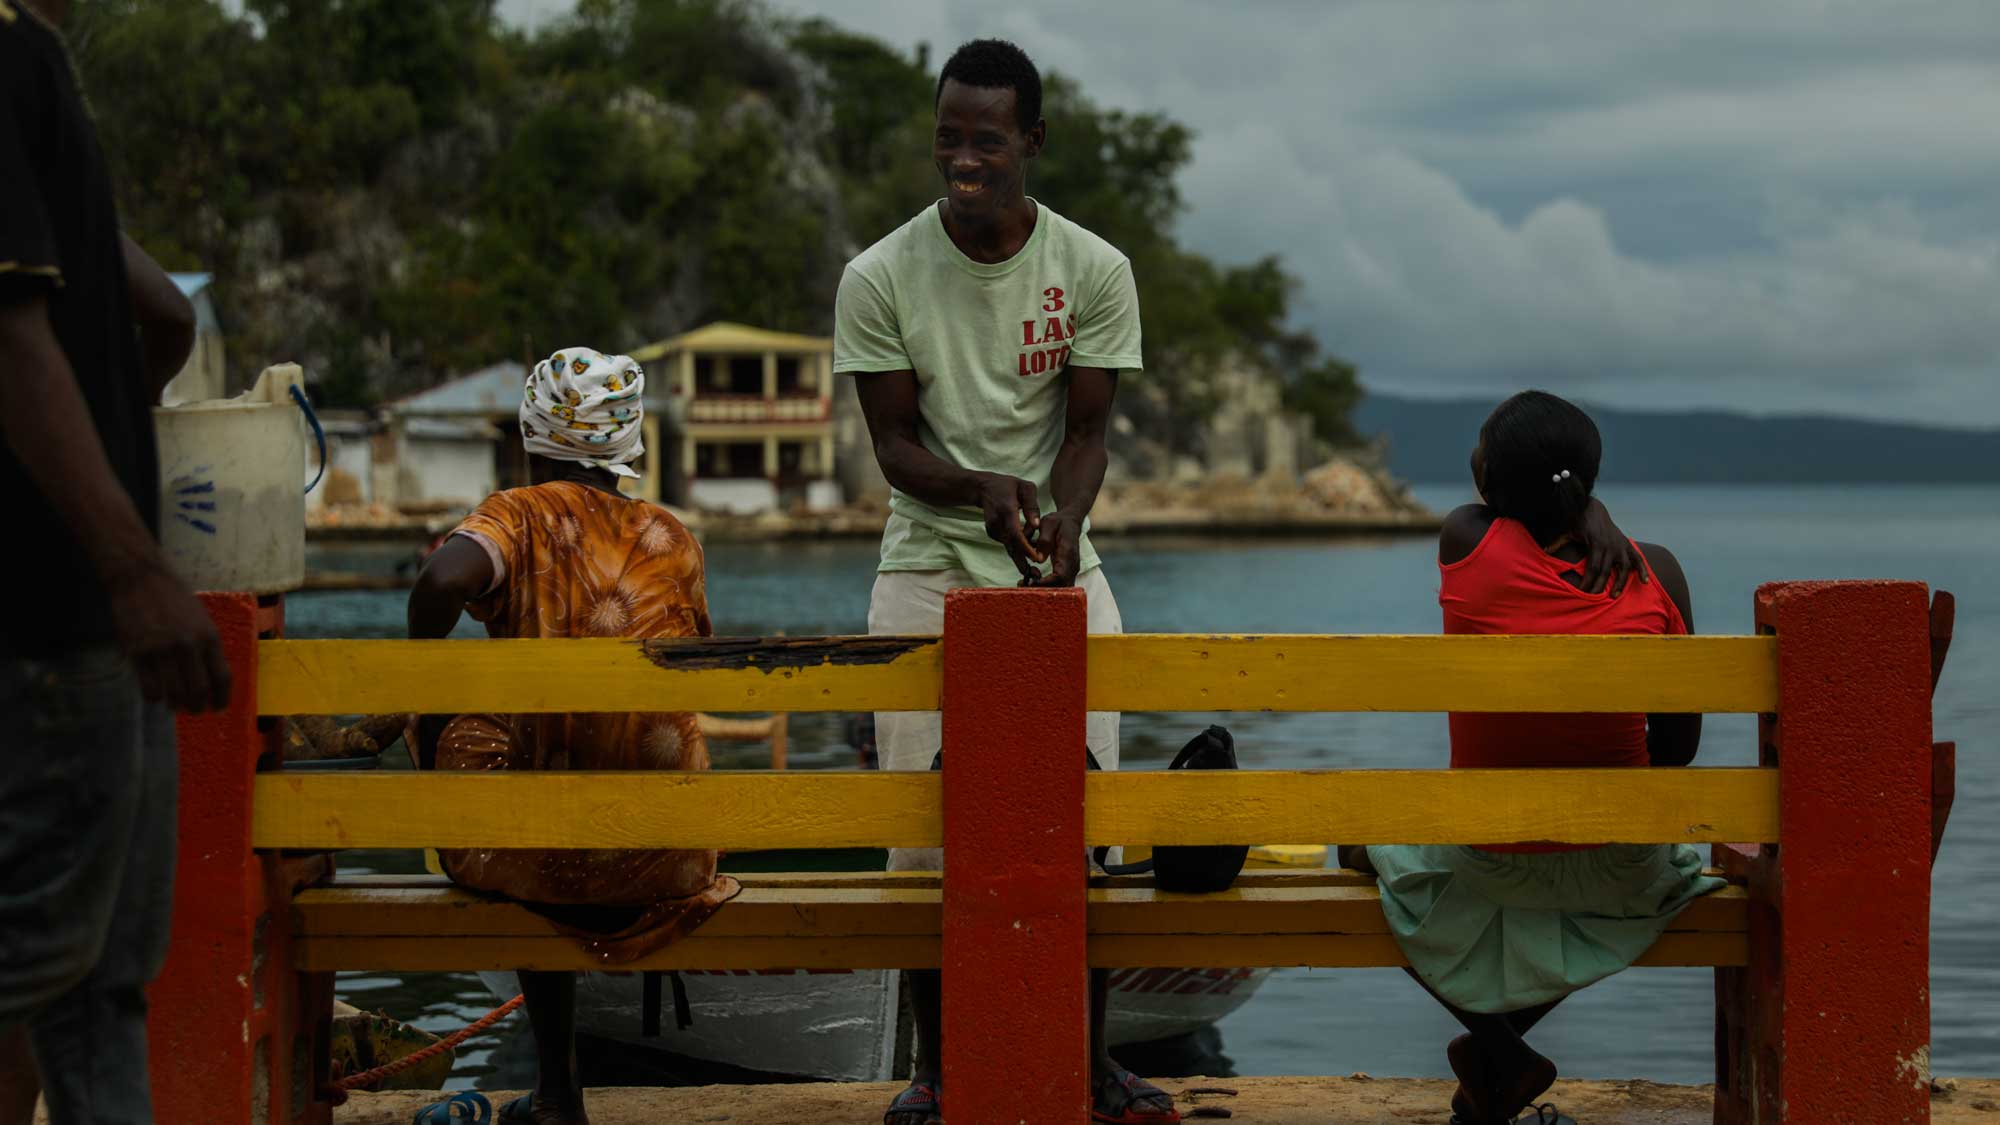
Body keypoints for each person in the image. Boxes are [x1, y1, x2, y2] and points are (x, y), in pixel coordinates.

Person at [834, 37, 1177, 1125]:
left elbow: (1086, 433)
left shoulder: (1094, 269)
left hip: (1054, 565)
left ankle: (1085, 1063)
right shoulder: (879, 274)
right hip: (926, 564)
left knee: (1088, 827)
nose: (963, 160)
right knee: (925, 839)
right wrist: (983, 491)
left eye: (987, 140)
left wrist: (1063, 528)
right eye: (948, 137)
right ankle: (936, 1070)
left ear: (1031, 141)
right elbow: (893, 448)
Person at [1344, 390, 1719, 1125]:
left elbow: (1488, 506)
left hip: (1489, 856)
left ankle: (1498, 1049)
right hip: (1624, 869)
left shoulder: (1466, 544)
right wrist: (1592, 511)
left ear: (1491, 484)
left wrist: (1578, 506)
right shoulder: (1660, 572)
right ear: (1589, 476)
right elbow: (1677, 750)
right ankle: (1495, 1066)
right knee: (1608, 866)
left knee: (1356, 847)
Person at [0, 1, 234, 1121]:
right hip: (54, 611)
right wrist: (136, 565)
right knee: (47, 965)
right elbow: (13, 331)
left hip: (87, 615)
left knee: (92, 983)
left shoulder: (30, 57)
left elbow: (156, 306)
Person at [405, 348, 735, 1125]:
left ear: (530, 434)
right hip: (672, 852)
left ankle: (559, 1092)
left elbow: (442, 580)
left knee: (484, 750)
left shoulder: (518, 514)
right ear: (629, 444)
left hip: (542, 853)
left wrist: (419, 682)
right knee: (553, 772)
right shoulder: (673, 536)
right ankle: (556, 1092)